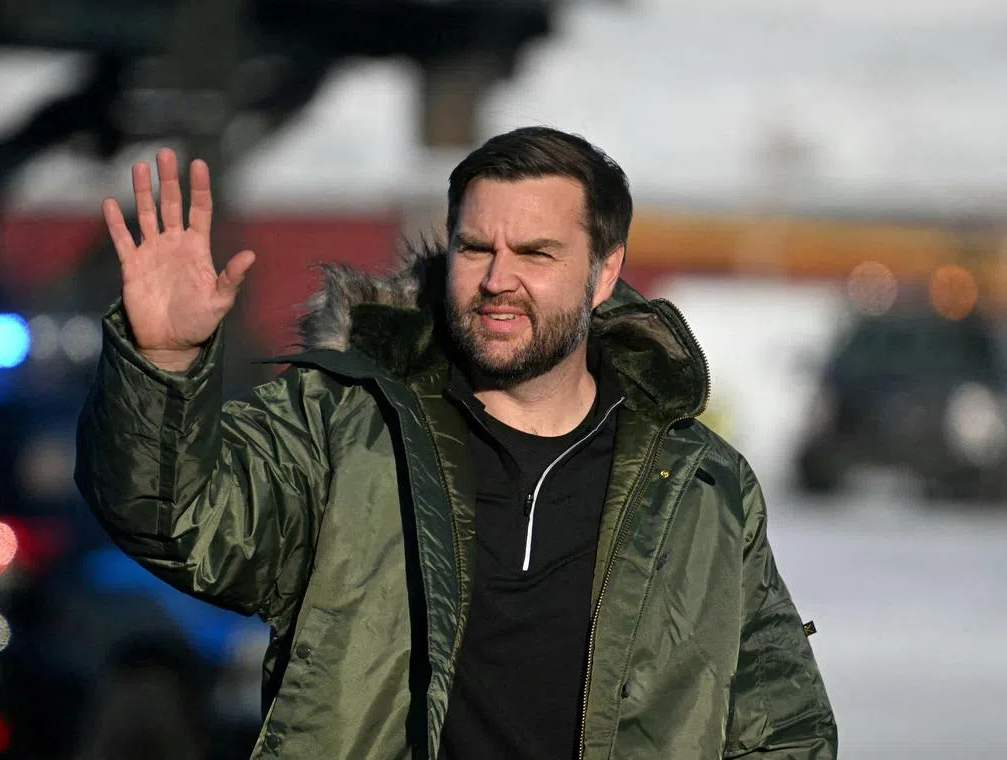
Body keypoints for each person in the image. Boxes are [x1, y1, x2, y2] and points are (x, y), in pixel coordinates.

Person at [75, 126, 837, 759]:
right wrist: (163, 361)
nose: (498, 279)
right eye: (476, 248)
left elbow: (783, 728)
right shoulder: (345, 427)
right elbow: (176, 517)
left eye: (536, 253)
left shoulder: (702, 486)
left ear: (603, 274)